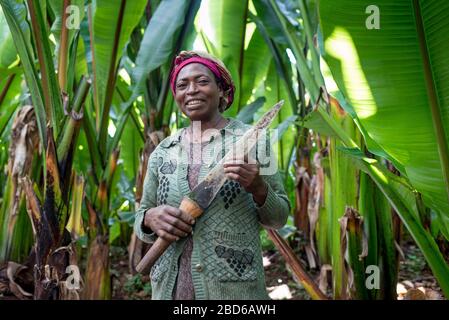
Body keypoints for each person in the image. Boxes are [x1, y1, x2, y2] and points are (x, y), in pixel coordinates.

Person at [134, 50, 290, 300]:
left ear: (222, 91)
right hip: (170, 290)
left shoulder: (254, 142)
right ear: (177, 96)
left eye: (202, 81)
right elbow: (142, 217)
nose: (192, 90)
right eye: (182, 85)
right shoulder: (163, 152)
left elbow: (279, 218)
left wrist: (259, 187)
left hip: (234, 292)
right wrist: (150, 219)